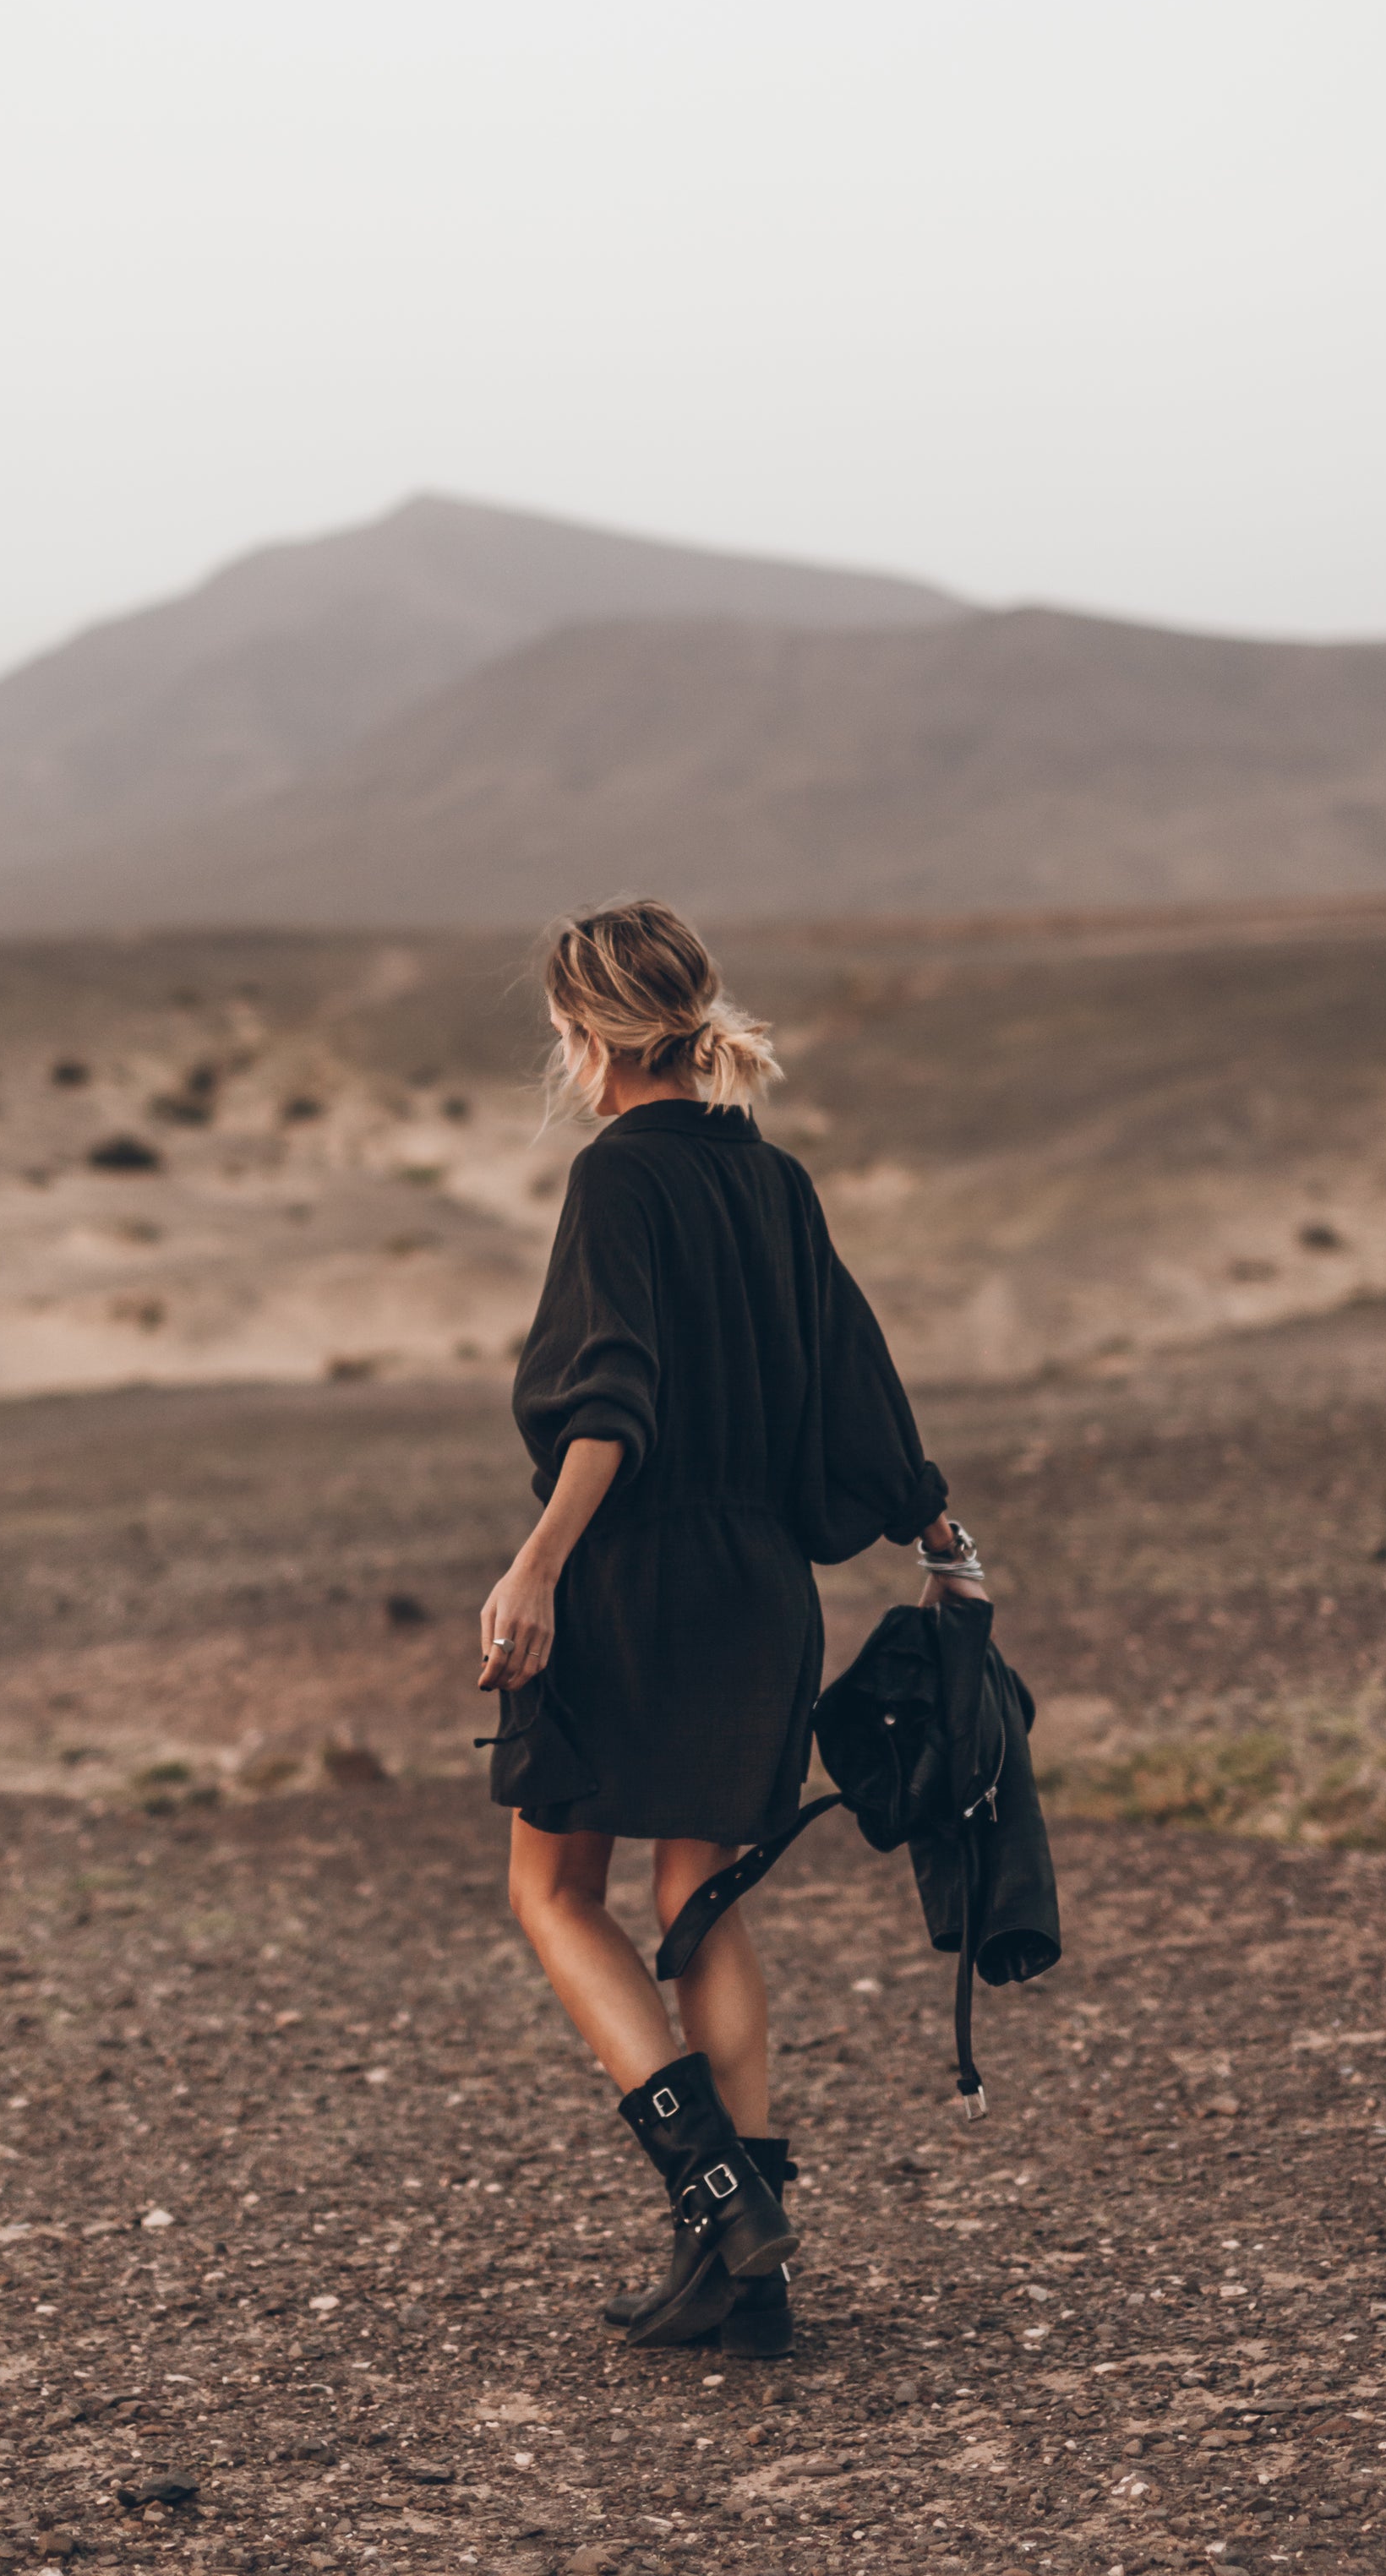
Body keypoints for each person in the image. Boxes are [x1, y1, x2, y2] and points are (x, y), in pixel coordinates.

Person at [477, 899, 985, 2358]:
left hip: (631, 1585)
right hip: (763, 1593)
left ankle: (718, 2200)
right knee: (700, 1903)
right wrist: (944, 1543)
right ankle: (746, 2280)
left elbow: (610, 1398)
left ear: (587, 1039)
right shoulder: (777, 1184)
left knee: (556, 1894)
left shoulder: (614, 1183)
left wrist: (536, 1565)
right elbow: (861, 1392)